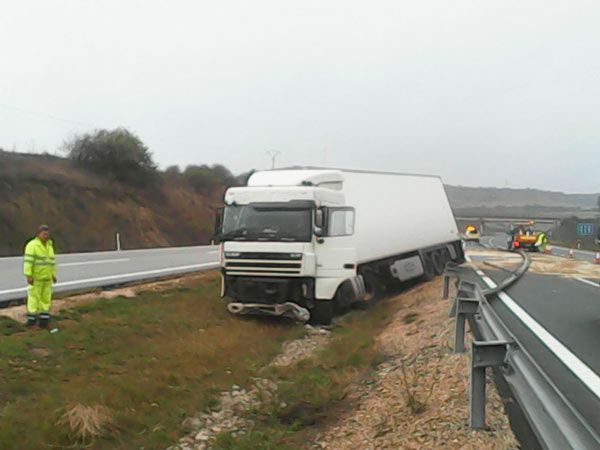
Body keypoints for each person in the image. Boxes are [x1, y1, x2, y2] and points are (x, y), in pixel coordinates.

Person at [23, 225, 57, 328]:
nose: (46, 236)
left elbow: (51, 262)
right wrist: (28, 275)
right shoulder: (32, 245)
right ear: (39, 234)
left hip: (47, 278)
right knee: (34, 298)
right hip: (36, 277)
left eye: (47, 234)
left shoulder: (49, 246)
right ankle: (32, 319)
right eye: (44, 234)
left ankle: (44, 320)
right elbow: (28, 261)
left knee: (46, 299)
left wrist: (53, 275)